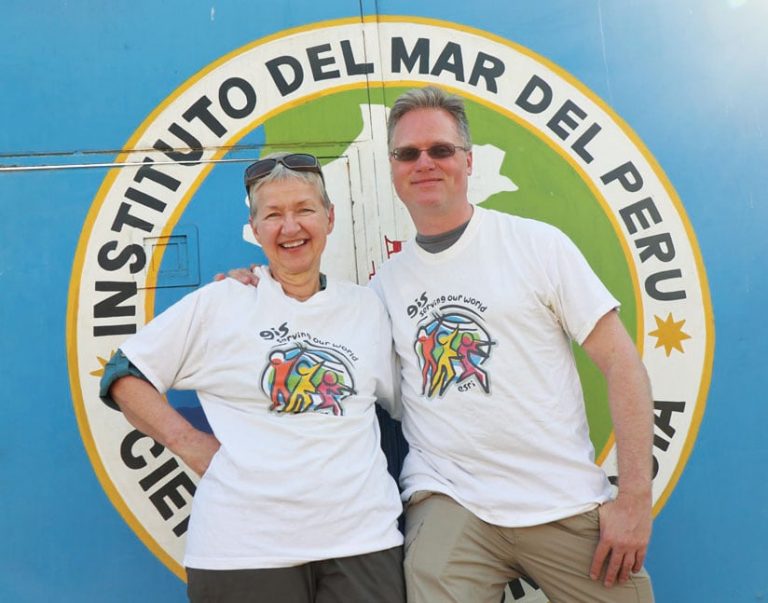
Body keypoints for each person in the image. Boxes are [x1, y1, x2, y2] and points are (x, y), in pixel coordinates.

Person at [224, 87, 655, 603]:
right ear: (393, 169)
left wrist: (633, 497)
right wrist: (261, 289)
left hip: (561, 500)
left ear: (467, 161)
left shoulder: (537, 245)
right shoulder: (383, 289)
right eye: (408, 153)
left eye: (441, 150)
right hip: (451, 502)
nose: (424, 163)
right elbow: (317, 342)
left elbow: (622, 364)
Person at [99, 152, 405, 603]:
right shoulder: (223, 302)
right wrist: (190, 443)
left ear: (330, 217)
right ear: (255, 228)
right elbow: (124, 375)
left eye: (304, 209)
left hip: (362, 543)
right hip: (242, 551)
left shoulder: (369, 307)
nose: (291, 227)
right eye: (273, 215)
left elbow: (412, 403)